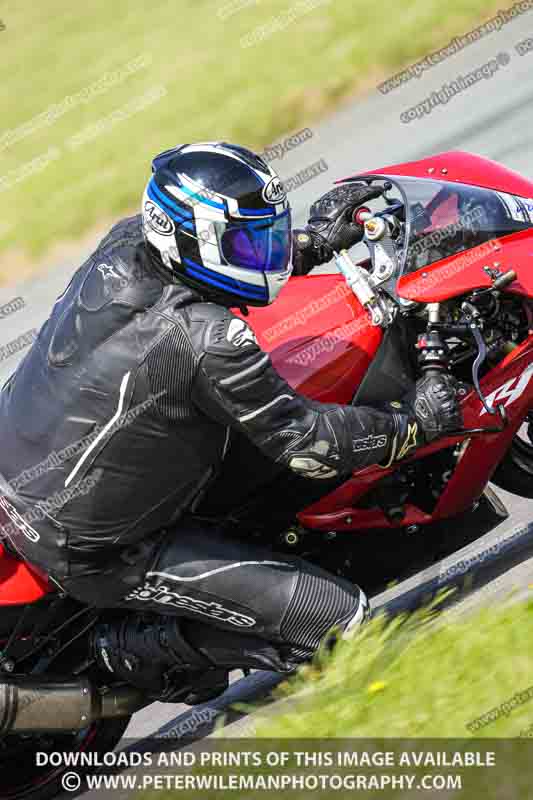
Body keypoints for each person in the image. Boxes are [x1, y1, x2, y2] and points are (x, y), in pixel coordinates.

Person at [0, 142, 461, 703]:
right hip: (97, 550)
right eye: (249, 241)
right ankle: (122, 649)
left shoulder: (123, 245)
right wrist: (415, 424)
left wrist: (311, 244)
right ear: (192, 240)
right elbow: (308, 444)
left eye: (263, 236)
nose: (263, 252)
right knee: (342, 620)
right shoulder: (209, 341)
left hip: (22, 472)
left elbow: (217, 264)